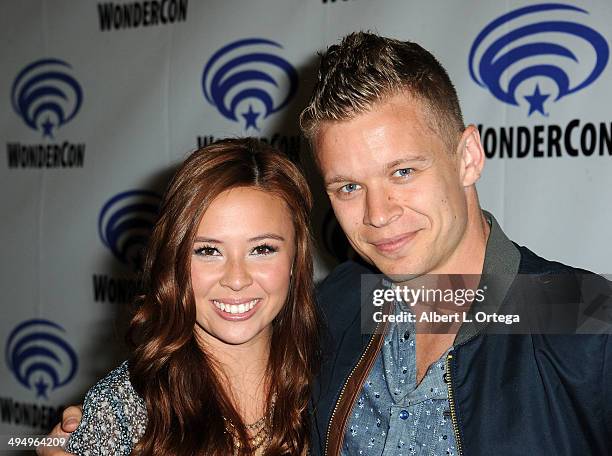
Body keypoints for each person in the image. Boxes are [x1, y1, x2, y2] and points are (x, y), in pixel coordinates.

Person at [41, 32, 612, 456]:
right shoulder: (339, 306)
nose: (379, 213)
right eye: (348, 186)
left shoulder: (582, 317)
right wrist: (105, 426)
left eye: (404, 172)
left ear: (467, 156)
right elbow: (213, 360)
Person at [48, 138, 319, 455]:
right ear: (174, 261)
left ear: (294, 259)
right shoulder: (127, 406)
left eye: (262, 249)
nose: (236, 279)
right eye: (208, 250)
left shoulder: (332, 376)